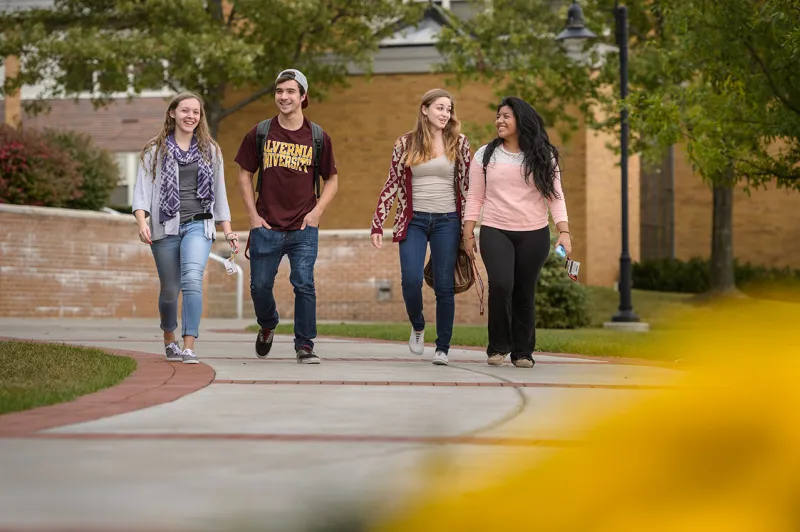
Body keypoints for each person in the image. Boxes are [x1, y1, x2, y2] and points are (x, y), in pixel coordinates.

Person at [235, 69, 338, 364]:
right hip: (266, 226)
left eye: (291, 91)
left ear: (303, 96)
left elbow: (332, 179)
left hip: (303, 227)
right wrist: (253, 217)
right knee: (259, 286)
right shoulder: (260, 132)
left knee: (304, 283)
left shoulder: (318, 136)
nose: (284, 96)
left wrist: (317, 212)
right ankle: (268, 324)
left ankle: (304, 345)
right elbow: (244, 175)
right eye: (280, 91)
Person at [463, 97, 571, 368]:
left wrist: (564, 231)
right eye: (498, 116)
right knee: (501, 284)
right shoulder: (485, 154)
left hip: (534, 233)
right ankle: (497, 347)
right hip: (495, 229)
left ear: (521, 120)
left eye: (506, 116)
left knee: (524, 290)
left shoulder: (545, 155)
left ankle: (522, 352)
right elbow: (474, 196)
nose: (500, 120)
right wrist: (467, 233)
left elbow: (555, 197)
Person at [133, 92, 239, 364]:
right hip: (164, 227)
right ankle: (170, 340)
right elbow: (142, 192)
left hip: (198, 225)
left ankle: (189, 345)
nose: (191, 116)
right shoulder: (154, 150)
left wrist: (227, 230)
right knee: (170, 290)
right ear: (172, 113)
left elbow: (220, 194)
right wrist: (142, 222)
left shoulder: (210, 150)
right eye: (185, 110)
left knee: (192, 281)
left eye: (196, 112)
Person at [370, 88, 472, 366]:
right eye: (440, 108)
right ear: (424, 110)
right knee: (411, 281)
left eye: (448, 109)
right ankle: (417, 325)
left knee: (444, 286)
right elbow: (392, 182)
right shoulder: (405, 143)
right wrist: (378, 224)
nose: (445, 114)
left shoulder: (459, 143)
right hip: (413, 221)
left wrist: (469, 227)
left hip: (447, 221)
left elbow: (466, 186)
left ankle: (443, 347)